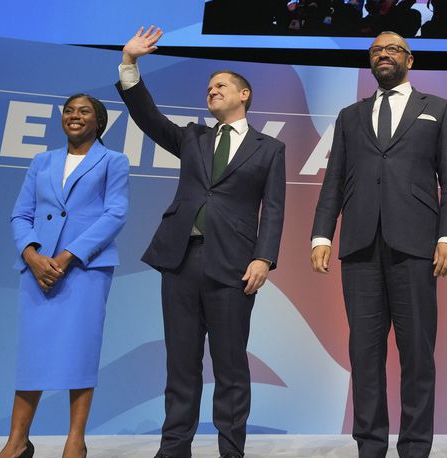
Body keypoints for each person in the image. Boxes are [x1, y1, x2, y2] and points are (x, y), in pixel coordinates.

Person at [116, 26, 286, 458]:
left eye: (221, 86)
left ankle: (231, 450)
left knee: (230, 367)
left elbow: (275, 207)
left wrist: (264, 257)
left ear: (244, 94)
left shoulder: (270, 149)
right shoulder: (193, 137)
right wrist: (130, 63)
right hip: (181, 261)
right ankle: (174, 449)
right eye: (208, 88)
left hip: (234, 266)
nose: (211, 92)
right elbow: (148, 118)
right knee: (181, 364)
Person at [311, 31, 447, 458]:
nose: (383, 55)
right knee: (364, 355)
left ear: (409, 60)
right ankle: (370, 447)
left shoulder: (438, 109)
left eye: (392, 49)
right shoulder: (349, 115)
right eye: (376, 50)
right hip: (359, 246)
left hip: (416, 245)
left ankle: (415, 447)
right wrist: (322, 234)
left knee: (417, 354)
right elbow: (333, 181)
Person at [0, 94, 130, 458]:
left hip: (85, 269)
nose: (74, 116)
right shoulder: (42, 161)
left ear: (98, 121)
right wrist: (32, 255)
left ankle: (76, 441)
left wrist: (68, 256)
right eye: (69, 111)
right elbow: (20, 215)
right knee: (32, 354)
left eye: (84, 111)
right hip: (37, 270)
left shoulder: (113, 161)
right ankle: (18, 441)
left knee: (80, 352)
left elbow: (115, 214)